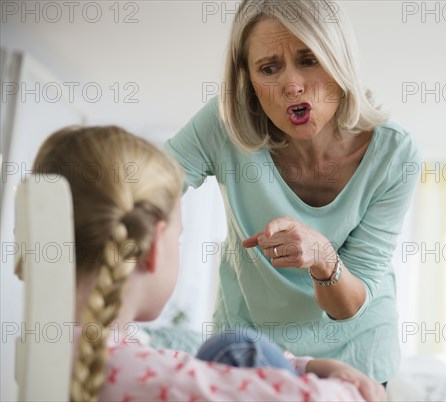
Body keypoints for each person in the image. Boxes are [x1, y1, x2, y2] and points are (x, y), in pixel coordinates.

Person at [165, 0, 422, 385]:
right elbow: (149, 183)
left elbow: (351, 304)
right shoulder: (223, 124)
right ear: (248, 80)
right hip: (249, 350)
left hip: (354, 354)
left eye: (309, 59)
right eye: (269, 68)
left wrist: (323, 258)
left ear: (339, 61)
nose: (291, 85)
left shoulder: (395, 154)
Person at [31, 126, 385, 402]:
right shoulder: (132, 371)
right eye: (179, 238)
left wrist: (309, 365)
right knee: (240, 346)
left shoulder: (59, 347)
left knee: (229, 347)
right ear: (153, 248)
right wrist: (340, 376)